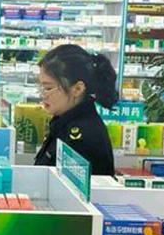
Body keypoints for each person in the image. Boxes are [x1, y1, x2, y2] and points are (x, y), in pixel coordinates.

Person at [33, 44, 118, 176]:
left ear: (77, 89)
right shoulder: (63, 121)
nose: (42, 94)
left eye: (48, 88)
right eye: (41, 87)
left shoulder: (81, 137)